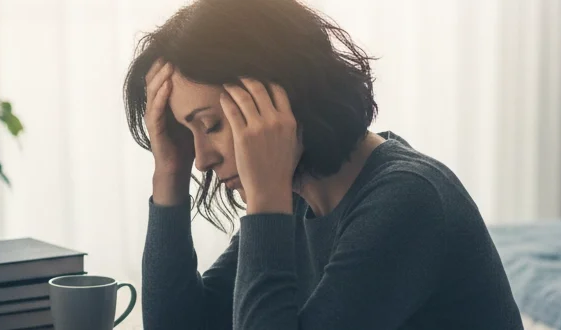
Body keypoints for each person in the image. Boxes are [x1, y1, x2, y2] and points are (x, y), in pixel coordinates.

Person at [123, 0, 523, 329]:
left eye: (209, 125)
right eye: (185, 132)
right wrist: (169, 172)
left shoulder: (408, 200)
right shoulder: (301, 200)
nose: (203, 159)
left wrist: (265, 200)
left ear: (282, 96)